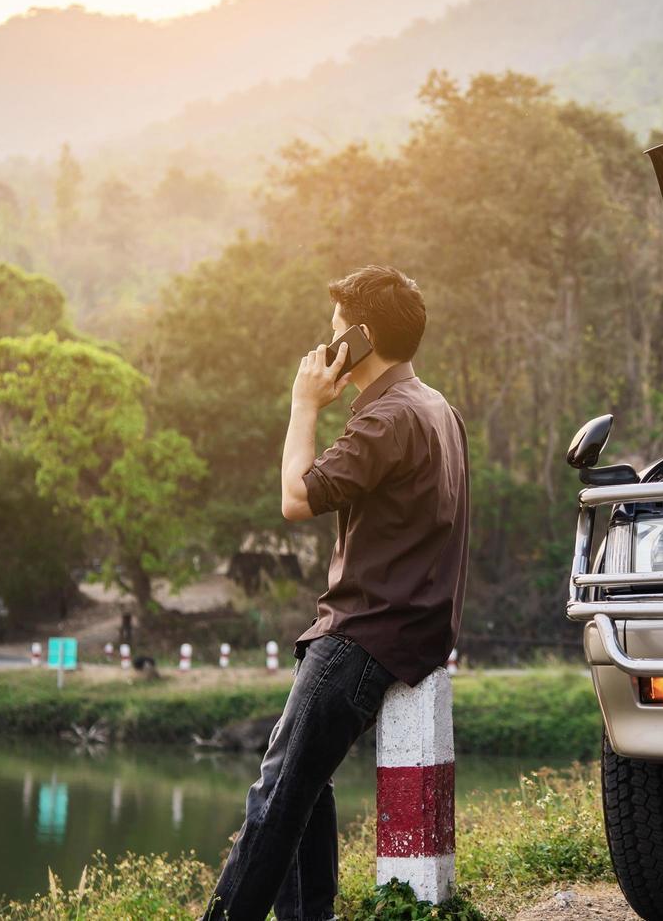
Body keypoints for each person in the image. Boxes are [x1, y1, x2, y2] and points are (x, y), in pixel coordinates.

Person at [202, 264, 469, 921]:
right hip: (407, 627)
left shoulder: (383, 420)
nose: (324, 345)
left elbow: (295, 499)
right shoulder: (434, 406)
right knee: (304, 788)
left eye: (333, 332)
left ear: (359, 337)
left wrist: (302, 405)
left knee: (274, 800)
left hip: (365, 634)